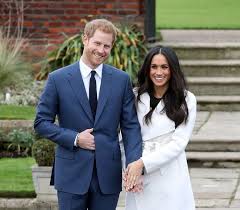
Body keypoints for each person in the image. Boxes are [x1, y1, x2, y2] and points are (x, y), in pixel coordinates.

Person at [34, 19, 142, 210]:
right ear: (85, 39)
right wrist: (75, 138)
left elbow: (130, 126)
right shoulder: (58, 79)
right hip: (70, 174)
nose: (101, 50)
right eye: (97, 43)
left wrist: (134, 164)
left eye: (107, 46)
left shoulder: (121, 80)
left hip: (107, 175)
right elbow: (41, 122)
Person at [124, 46, 197, 210]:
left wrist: (142, 164)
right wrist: (131, 171)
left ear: (173, 69)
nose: (159, 72)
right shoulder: (134, 96)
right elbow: (125, 136)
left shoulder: (186, 99)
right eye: (154, 67)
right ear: (147, 69)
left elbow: (179, 143)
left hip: (169, 172)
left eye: (164, 67)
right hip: (138, 172)